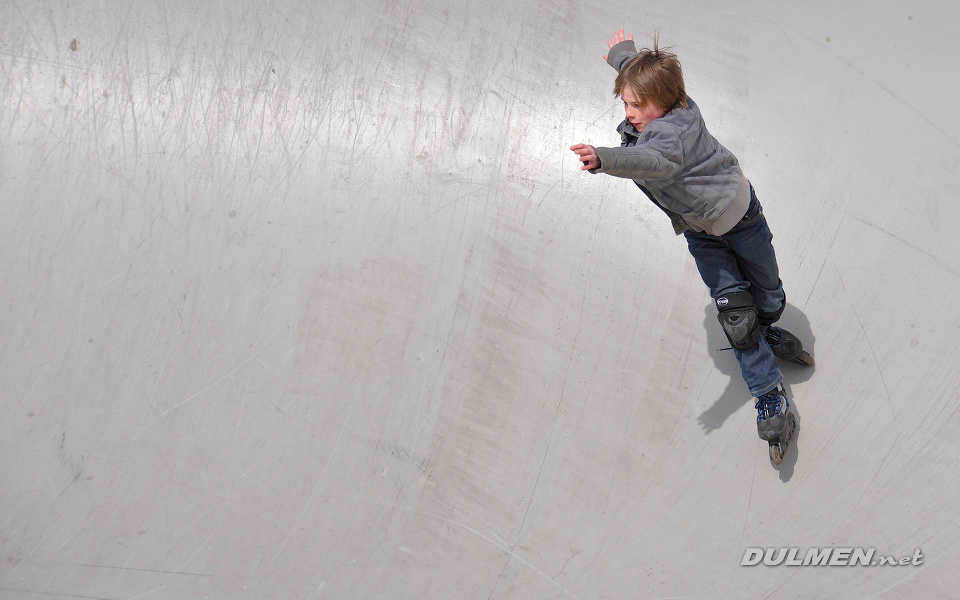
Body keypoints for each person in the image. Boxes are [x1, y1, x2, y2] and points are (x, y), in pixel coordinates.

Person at [570, 29, 812, 456]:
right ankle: (769, 394)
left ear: (664, 103)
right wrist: (624, 56)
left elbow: (649, 160)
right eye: (625, 103)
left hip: (742, 219)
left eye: (635, 106)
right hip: (703, 232)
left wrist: (605, 157)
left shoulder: (670, 137)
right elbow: (643, 79)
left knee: (769, 297)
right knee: (737, 318)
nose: (629, 115)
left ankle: (768, 321)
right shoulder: (664, 99)